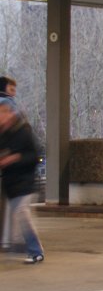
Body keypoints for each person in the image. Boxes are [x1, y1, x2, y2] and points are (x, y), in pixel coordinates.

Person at [0, 98, 44, 264]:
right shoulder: (4, 135)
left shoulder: (23, 132)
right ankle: (21, 247)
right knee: (20, 218)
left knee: (22, 214)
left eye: (3, 112)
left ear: (11, 113)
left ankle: (36, 251)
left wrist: (15, 158)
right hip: (11, 184)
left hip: (25, 183)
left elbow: (35, 156)